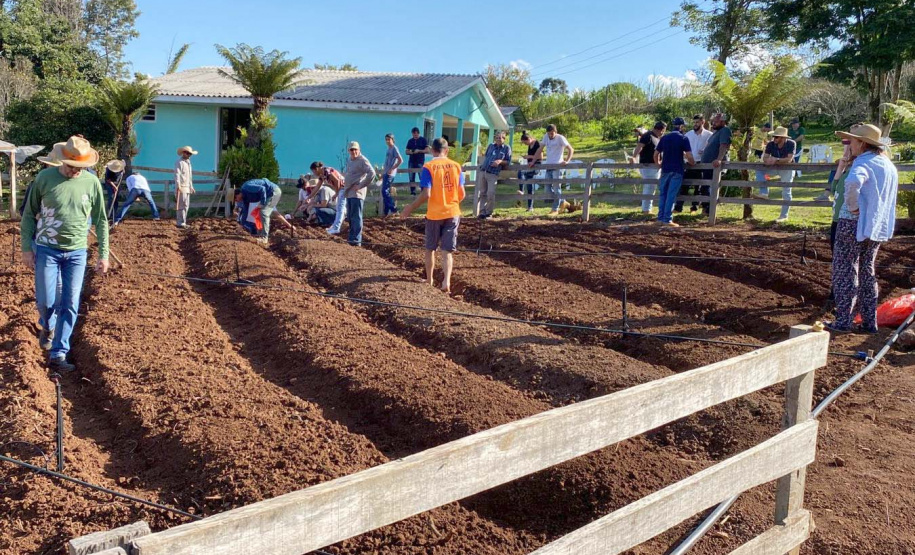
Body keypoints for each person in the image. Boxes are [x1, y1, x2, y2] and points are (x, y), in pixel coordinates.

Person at [20, 136, 110, 372]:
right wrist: (26, 248)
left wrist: (103, 254)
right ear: (62, 161)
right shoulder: (44, 178)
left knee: (70, 303)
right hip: (47, 249)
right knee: (46, 301)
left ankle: (59, 352)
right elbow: (28, 215)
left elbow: (101, 220)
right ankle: (48, 325)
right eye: (72, 166)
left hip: (77, 253)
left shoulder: (91, 182)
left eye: (80, 167)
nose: (75, 171)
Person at [826, 123, 898, 334]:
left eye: (853, 141)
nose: (850, 145)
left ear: (862, 143)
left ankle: (843, 321)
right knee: (867, 270)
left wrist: (853, 207)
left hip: (852, 223)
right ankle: (869, 321)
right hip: (875, 225)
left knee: (845, 270)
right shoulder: (888, 165)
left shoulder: (863, 162)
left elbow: (852, 183)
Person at [401, 138, 465, 293]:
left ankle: (429, 280)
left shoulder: (429, 167)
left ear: (432, 151)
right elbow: (462, 193)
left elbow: (426, 194)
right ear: (447, 150)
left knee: (430, 248)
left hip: (435, 213)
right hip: (453, 212)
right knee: (447, 251)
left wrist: (410, 208)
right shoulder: (457, 166)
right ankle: (446, 282)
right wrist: (451, 202)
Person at [653, 121, 695, 227]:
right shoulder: (683, 138)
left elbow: (656, 153)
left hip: (665, 170)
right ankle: (667, 219)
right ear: (681, 126)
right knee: (671, 195)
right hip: (677, 170)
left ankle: (660, 218)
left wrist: (658, 164)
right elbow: (689, 156)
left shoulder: (664, 138)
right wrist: (692, 163)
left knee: (663, 194)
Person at [532, 124, 574, 216]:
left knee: (556, 188)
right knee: (547, 188)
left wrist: (567, 161)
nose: (550, 135)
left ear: (555, 132)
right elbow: (540, 149)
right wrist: (533, 161)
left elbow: (571, 149)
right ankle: (564, 202)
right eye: (549, 133)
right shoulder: (545, 137)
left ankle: (555, 209)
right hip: (549, 166)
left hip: (558, 166)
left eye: (552, 133)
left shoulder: (560, 138)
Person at [341, 141, 376, 246]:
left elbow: (372, 173)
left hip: (357, 193)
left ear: (359, 150)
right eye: (352, 149)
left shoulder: (362, 160)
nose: (354, 151)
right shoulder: (350, 160)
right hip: (349, 192)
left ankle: (356, 240)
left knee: (356, 217)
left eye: (355, 149)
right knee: (350, 216)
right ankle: (351, 239)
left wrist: (360, 185)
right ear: (349, 151)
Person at [238, 178, 293, 243]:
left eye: (236, 199)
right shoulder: (245, 198)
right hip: (268, 195)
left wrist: (262, 203)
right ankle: (260, 233)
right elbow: (245, 212)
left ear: (238, 194)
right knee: (261, 212)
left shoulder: (246, 187)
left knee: (264, 212)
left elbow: (262, 189)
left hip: (273, 192)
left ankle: (264, 238)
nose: (237, 201)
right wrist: (242, 224)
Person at [761, 126, 797, 222]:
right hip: (774, 167)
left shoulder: (791, 143)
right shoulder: (770, 144)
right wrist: (768, 161)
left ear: (783, 138)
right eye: (774, 136)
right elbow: (765, 157)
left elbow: (789, 159)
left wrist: (776, 160)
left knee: (786, 191)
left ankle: (784, 216)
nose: (774, 139)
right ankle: (764, 192)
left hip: (787, 169)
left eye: (776, 137)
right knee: (759, 170)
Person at [677, 115, 711, 213]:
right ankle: (678, 207)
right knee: (684, 185)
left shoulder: (709, 135)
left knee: (699, 186)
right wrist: (684, 155)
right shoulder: (688, 134)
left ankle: (694, 207)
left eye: (697, 122)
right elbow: (682, 147)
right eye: (694, 122)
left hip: (701, 163)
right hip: (689, 162)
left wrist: (705, 152)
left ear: (702, 122)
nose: (695, 124)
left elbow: (711, 148)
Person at [699, 114, 732, 216]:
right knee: (705, 187)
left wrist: (719, 159)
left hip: (714, 166)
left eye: (716, 122)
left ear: (722, 122)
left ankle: (710, 211)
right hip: (708, 165)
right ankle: (706, 209)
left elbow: (723, 145)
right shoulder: (716, 132)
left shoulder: (725, 130)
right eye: (713, 121)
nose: (713, 123)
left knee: (710, 187)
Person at [631, 121, 665, 214]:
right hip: (648, 166)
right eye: (663, 131)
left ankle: (647, 208)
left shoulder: (656, 137)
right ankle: (646, 209)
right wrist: (634, 157)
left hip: (655, 166)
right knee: (649, 187)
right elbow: (639, 146)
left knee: (652, 187)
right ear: (660, 129)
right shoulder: (648, 136)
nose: (663, 133)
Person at [477, 130, 511, 219]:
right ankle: (482, 212)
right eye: (497, 137)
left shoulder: (506, 148)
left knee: (490, 193)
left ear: (504, 139)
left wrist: (500, 161)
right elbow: (486, 156)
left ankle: (489, 212)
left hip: (493, 173)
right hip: (484, 171)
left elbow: (508, 161)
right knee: (482, 193)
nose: (498, 139)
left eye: (500, 138)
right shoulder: (491, 146)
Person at [312, 161, 347, 234]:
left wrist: (336, 193)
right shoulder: (322, 175)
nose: (313, 173)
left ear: (316, 169)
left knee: (340, 208)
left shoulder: (327, 171)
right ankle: (335, 226)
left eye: (313, 171)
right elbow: (317, 188)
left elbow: (337, 181)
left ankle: (336, 227)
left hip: (343, 188)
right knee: (339, 208)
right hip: (341, 189)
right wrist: (309, 197)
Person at [380, 133, 404, 217]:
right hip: (386, 172)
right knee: (385, 192)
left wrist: (392, 168)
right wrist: (383, 173)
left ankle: (393, 209)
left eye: (389, 139)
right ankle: (386, 212)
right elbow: (387, 162)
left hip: (390, 173)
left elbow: (400, 160)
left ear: (392, 140)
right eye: (386, 140)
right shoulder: (388, 149)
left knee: (384, 191)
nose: (387, 141)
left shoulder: (394, 148)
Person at [517, 131, 541, 212]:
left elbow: (540, 157)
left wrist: (529, 156)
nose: (525, 144)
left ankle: (521, 190)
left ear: (529, 139)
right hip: (530, 166)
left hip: (536, 166)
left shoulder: (537, 144)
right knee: (530, 186)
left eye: (525, 142)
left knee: (521, 172)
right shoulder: (530, 145)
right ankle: (530, 207)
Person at [174, 146, 196, 229]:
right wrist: (178, 185)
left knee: (186, 205)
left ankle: (183, 221)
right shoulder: (179, 162)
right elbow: (177, 174)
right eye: (187, 153)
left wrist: (191, 186)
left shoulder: (188, 163)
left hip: (187, 187)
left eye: (190, 154)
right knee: (181, 206)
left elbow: (189, 177)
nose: (189, 155)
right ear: (183, 153)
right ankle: (180, 222)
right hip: (181, 187)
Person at [405, 127, 429, 195]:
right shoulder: (410, 141)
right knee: (411, 177)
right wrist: (411, 152)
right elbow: (406, 151)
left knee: (421, 177)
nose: (415, 135)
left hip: (420, 161)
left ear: (418, 133)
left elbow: (427, 150)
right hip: (412, 161)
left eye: (416, 134)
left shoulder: (423, 140)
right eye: (414, 134)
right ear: (412, 134)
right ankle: (413, 191)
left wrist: (419, 151)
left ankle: (423, 191)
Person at [750, 122, 773, 195]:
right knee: (752, 160)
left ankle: (756, 173)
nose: (767, 131)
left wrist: (769, 143)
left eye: (768, 130)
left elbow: (765, 141)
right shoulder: (757, 130)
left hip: (760, 149)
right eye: (767, 129)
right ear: (764, 127)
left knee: (758, 161)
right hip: (754, 147)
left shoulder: (765, 133)